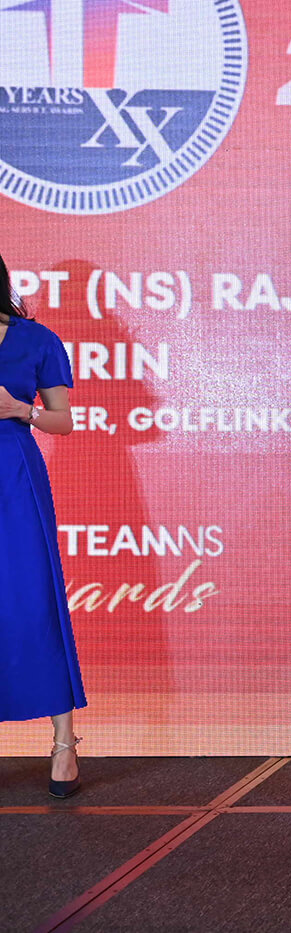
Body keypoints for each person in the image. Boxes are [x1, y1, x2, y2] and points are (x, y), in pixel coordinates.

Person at [0, 251, 83, 797]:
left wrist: (17, 409)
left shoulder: (36, 339)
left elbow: (63, 422)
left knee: (32, 601)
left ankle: (64, 743)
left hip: (13, 475)